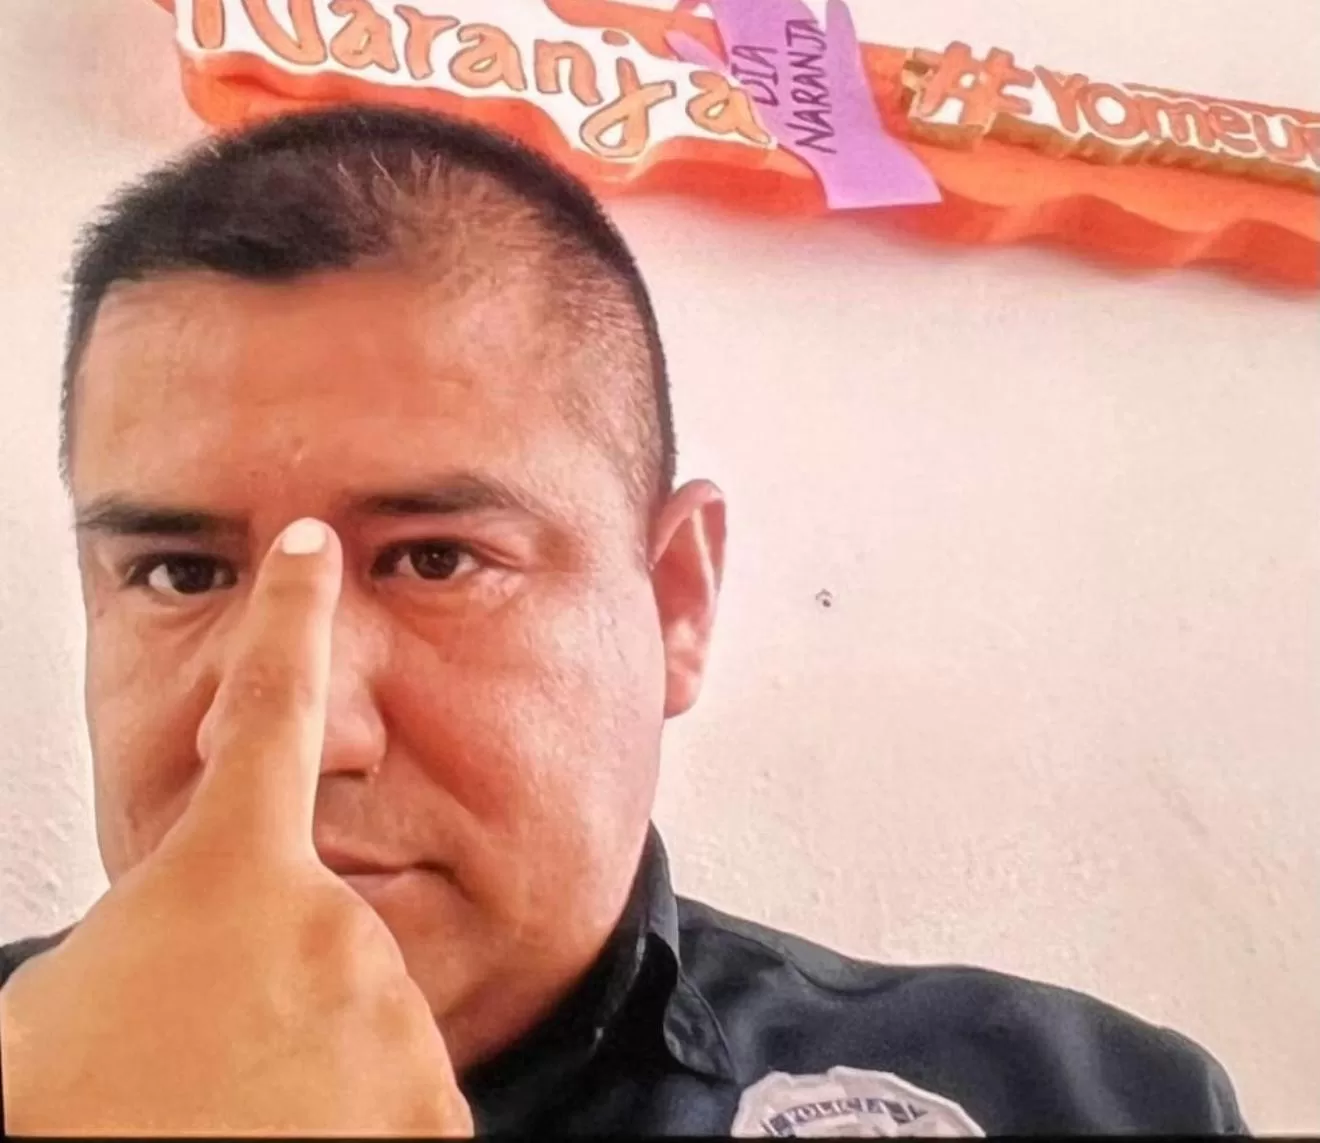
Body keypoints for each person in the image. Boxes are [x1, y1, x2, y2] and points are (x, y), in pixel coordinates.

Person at [0, 105, 1247, 1137]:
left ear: (676, 604)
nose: (304, 727)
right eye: (178, 573)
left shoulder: (1077, 1105)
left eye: (435, 559)